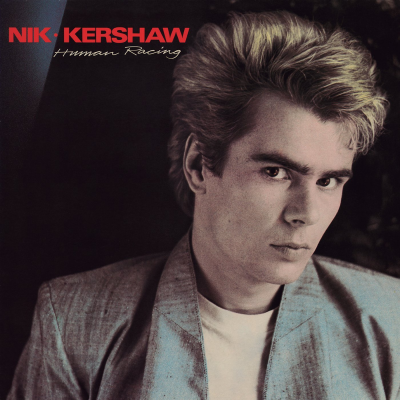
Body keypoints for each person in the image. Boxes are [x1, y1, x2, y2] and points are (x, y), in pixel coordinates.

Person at [8, 11, 400, 400]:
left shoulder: (389, 317)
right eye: (275, 172)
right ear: (199, 165)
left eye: (327, 181)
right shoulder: (74, 322)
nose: (307, 213)